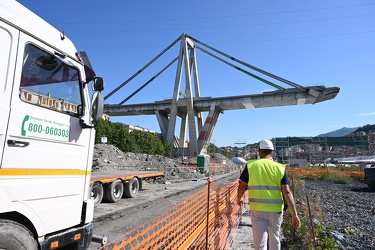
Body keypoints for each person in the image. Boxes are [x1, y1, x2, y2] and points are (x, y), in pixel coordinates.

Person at [237, 139, 300, 250]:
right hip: (275, 211)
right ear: (272, 152)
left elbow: (242, 186)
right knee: (275, 239)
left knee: (260, 243)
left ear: (259, 151)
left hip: (257, 210)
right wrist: (294, 214)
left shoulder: (251, 165)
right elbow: (287, 192)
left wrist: (239, 199)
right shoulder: (279, 167)